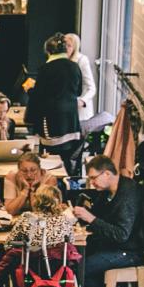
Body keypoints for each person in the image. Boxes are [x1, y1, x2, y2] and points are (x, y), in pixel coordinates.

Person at [71, 154, 144, 287]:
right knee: (73, 258)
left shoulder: (127, 196)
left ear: (106, 174)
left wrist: (90, 218)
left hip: (128, 251)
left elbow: (121, 235)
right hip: (109, 245)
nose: (92, 183)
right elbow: (100, 216)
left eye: (93, 178)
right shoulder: (107, 192)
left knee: (80, 268)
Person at [26, 33, 85, 183]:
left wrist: (29, 89)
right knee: (67, 162)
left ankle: (51, 190)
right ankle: (65, 191)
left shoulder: (46, 69)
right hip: (72, 122)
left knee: (52, 163)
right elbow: (78, 92)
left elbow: (39, 96)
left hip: (52, 123)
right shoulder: (74, 67)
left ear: (48, 51)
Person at [8, 183, 78, 250]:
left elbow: (9, 244)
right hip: (56, 261)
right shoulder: (65, 219)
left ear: (37, 200)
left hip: (30, 259)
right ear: (59, 201)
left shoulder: (27, 217)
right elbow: (71, 242)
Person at [65, 32, 97, 123]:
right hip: (67, 107)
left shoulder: (82, 60)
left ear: (75, 47)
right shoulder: (62, 60)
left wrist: (82, 101)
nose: (66, 48)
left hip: (80, 110)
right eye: (64, 45)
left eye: (69, 45)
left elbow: (91, 87)